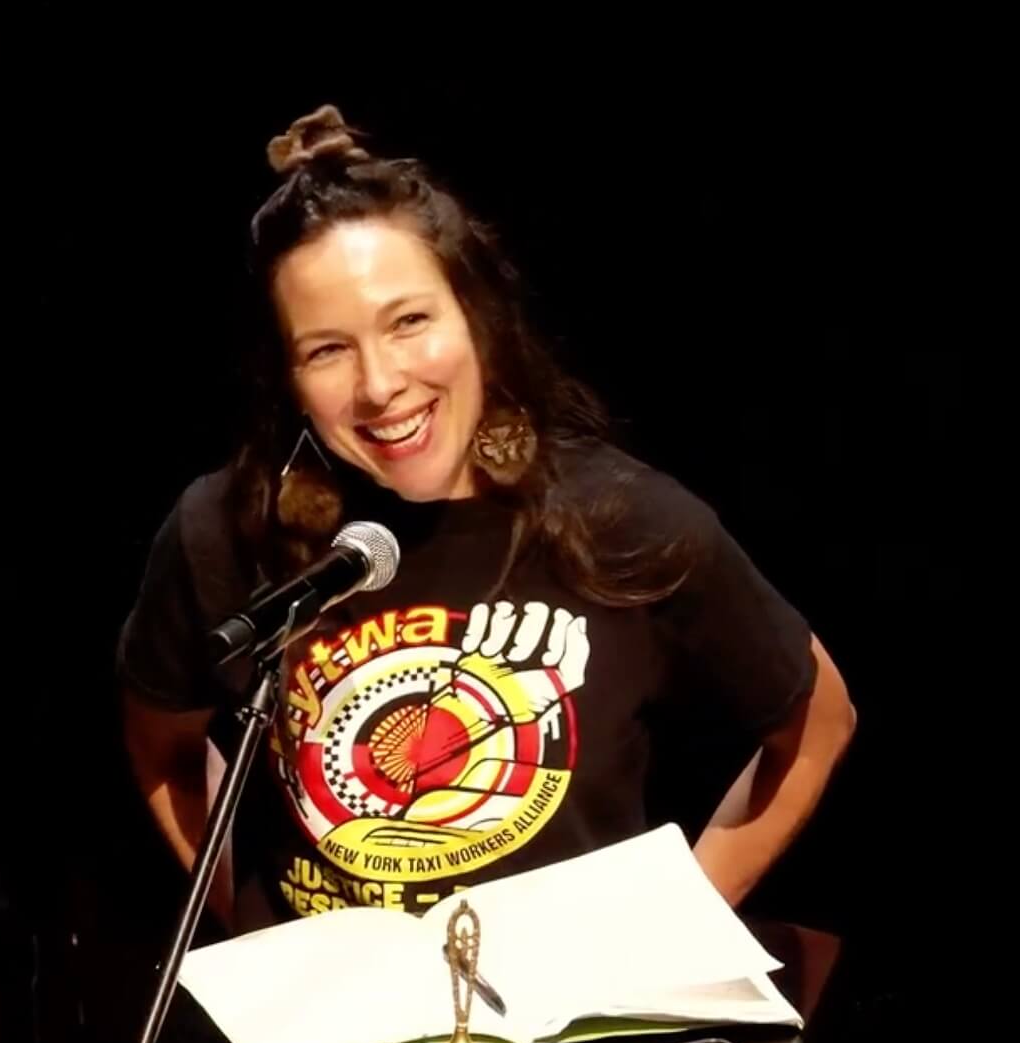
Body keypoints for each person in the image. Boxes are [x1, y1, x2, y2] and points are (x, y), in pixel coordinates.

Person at [116, 105, 856, 936]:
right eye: (327, 349)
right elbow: (162, 745)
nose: (379, 384)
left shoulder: (621, 516)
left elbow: (816, 718)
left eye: (409, 322)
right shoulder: (224, 529)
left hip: (566, 1040)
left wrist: (672, 930)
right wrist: (257, 925)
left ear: (475, 316)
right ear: (286, 375)